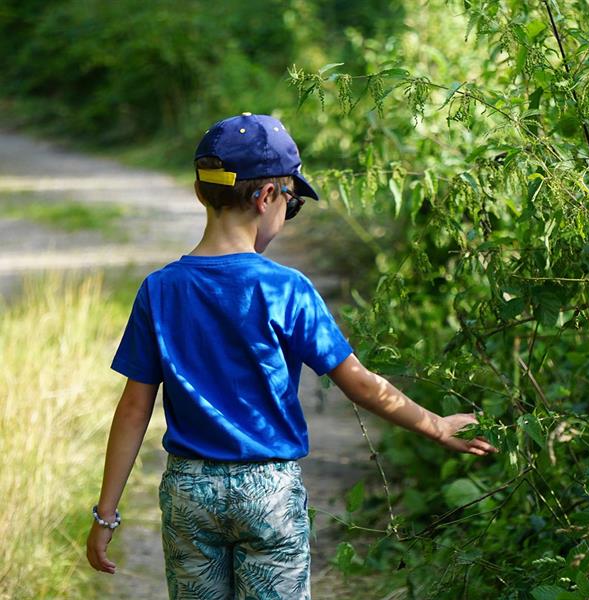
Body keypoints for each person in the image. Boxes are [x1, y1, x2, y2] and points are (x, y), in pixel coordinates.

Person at [85, 113, 498, 598]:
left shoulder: (160, 290)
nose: (288, 212)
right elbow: (361, 385)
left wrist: (106, 513)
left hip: (189, 490)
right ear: (267, 198)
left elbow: (135, 407)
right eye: (292, 203)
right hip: (268, 491)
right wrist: (437, 425)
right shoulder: (287, 289)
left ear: (201, 193)